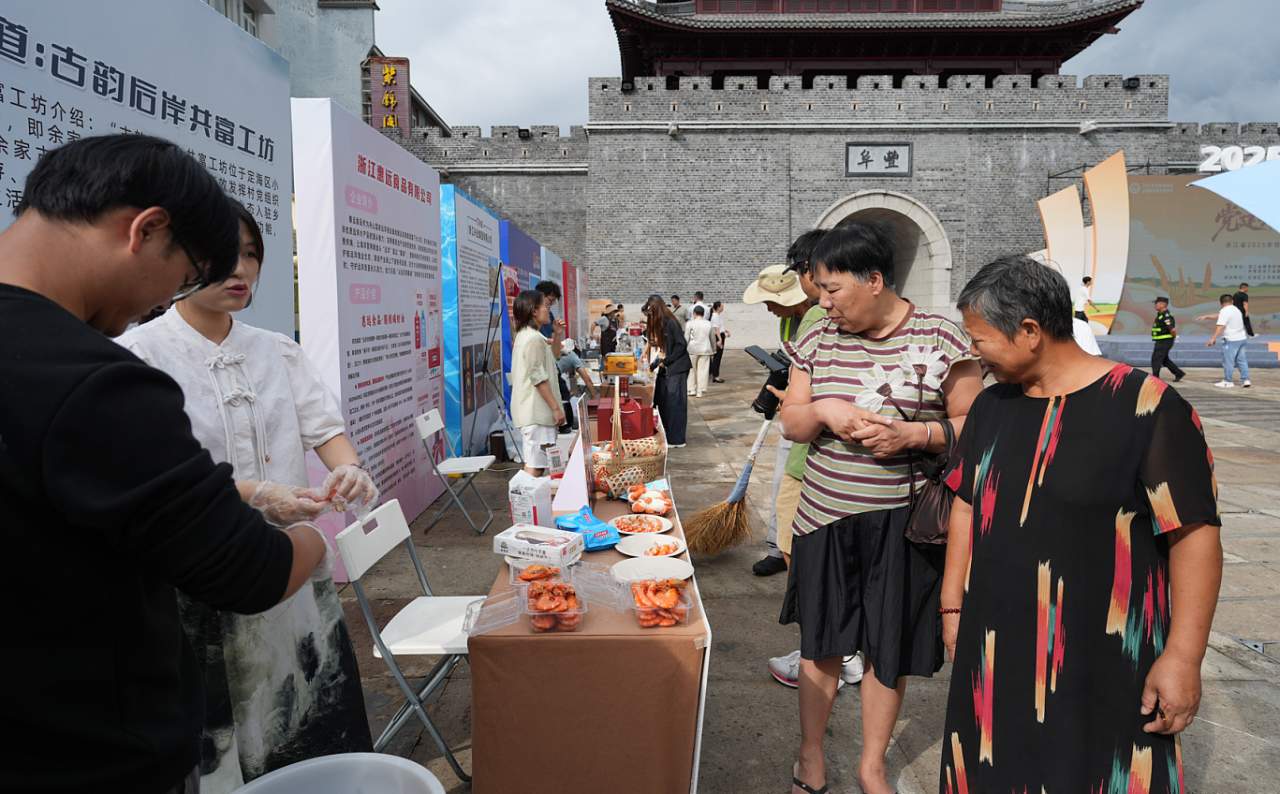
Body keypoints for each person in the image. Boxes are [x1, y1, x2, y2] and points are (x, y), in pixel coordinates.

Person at [0, 134, 327, 793]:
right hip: (89, 754)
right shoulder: (97, 380)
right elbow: (248, 570)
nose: (152, 310)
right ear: (147, 231)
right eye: (179, 282)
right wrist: (320, 540)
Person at [940, 255, 1221, 793]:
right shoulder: (991, 407)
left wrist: (1184, 657)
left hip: (1105, 655)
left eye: (978, 338)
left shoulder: (1149, 408)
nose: (972, 352)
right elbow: (966, 501)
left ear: (1029, 332)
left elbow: (1194, 535)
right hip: (997, 646)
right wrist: (954, 602)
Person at [119, 202, 376, 790]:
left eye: (253, 254)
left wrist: (350, 471)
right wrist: (258, 494)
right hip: (198, 578)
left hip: (289, 570)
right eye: (222, 255)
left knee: (309, 720)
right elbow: (161, 474)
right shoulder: (143, 356)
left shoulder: (276, 350)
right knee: (220, 740)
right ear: (179, 258)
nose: (242, 270)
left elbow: (327, 432)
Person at [779, 221, 983, 794]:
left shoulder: (942, 338)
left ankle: (872, 764)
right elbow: (792, 421)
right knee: (821, 644)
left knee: (885, 650)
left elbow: (975, 426)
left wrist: (914, 437)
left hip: (905, 524)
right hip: (823, 518)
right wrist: (824, 410)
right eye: (818, 289)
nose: (823, 301)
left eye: (832, 288)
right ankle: (811, 754)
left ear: (873, 280)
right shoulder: (818, 336)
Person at [765, 228, 863, 691]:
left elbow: (810, 406)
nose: (822, 298)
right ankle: (843, 650)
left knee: (802, 554)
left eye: (827, 286)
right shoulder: (823, 321)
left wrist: (796, 404)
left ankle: (826, 650)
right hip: (826, 462)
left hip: (811, 463)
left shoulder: (817, 324)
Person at [743, 261, 814, 577]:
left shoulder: (820, 318)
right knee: (783, 482)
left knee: (799, 486)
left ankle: (796, 549)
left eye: (771, 302)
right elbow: (793, 358)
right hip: (794, 410)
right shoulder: (790, 321)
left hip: (815, 415)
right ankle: (778, 547)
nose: (769, 309)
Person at [511, 289, 565, 474]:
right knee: (535, 467)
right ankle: (525, 502)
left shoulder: (531, 336)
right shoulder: (532, 338)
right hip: (536, 411)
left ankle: (530, 501)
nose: (547, 311)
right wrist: (555, 408)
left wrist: (557, 334)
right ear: (534, 311)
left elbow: (555, 356)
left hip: (537, 411)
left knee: (540, 464)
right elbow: (538, 377)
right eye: (545, 306)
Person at [644, 294, 691, 447]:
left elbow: (681, 345)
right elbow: (663, 350)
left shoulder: (670, 322)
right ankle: (667, 435)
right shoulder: (662, 324)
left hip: (677, 368)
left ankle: (677, 439)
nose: (650, 317)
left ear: (657, 309)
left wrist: (666, 361)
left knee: (675, 404)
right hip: (668, 367)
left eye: (651, 313)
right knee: (662, 399)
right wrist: (654, 364)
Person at [1206, 293, 1250, 388]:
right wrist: (1208, 316)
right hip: (1242, 338)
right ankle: (1245, 380)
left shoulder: (1224, 311)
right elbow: (1221, 315)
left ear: (1221, 303)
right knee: (1241, 360)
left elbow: (1220, 325)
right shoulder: (1236, 309)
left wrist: (1213, 338)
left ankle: (1228, 381)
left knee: (1228, 361)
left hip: (1231, 340)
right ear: (1232, 301)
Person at [557, 337, 598, 425]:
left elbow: (572, 376)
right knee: (565, 397)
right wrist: (594, 396)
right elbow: (587, 380)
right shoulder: (574, 358)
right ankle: (567, 424)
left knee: (562, 392)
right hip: (555, 373)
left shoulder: (564, 351)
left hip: (552, 372)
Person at [1150, 296, 1185, 381]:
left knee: (1156, 359)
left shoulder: (1166, 316)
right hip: (1161, 340)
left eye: (1156, 303)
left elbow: (1172, 329)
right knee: (1164, 359)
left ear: (1163, 304)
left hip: (1164, 341)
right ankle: (1179, 373)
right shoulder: (1160, 315)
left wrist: (1175, 337)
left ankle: (1155, 378)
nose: (1155, 305)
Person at [685, 304, 715, 397]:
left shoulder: (690, 323)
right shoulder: (708, 323)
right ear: (703, 313)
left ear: (694, 313)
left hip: (692, 349)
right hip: (705, 349)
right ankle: (700, 391)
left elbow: (686, 337)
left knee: (691, 370)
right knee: (703, 371)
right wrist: (714, 350)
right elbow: (712, 338)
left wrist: (684, 349)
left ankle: (691, 389)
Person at [709, 300, 729, 383]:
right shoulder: (715, 316)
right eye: (722, 306)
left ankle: (714, 374)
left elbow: (719, 327)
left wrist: (725, 331)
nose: (723, 307)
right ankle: (715, 376)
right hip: (718, 337)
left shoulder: (717, 315)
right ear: (718, 307)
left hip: (720, 336)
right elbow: (716, 329)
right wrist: (720, 339)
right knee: (717, 357)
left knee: (717, 357)